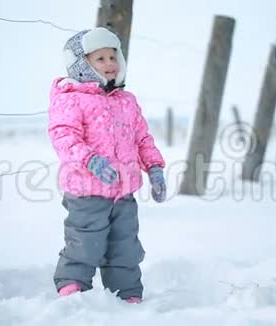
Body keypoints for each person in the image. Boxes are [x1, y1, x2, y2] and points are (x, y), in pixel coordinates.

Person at [47, 27, 166, 303]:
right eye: (100, 59)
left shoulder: (127, 101)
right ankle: (72, 287)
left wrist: (155, 169)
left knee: (125, 246)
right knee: (85, 243)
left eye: (113, 57)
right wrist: (90, 160)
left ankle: (127, 293)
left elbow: (142, 139)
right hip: (86, 192)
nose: (110, 64)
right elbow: (64, 136)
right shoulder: (71, 98)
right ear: (81, 64)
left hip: (123, 193)